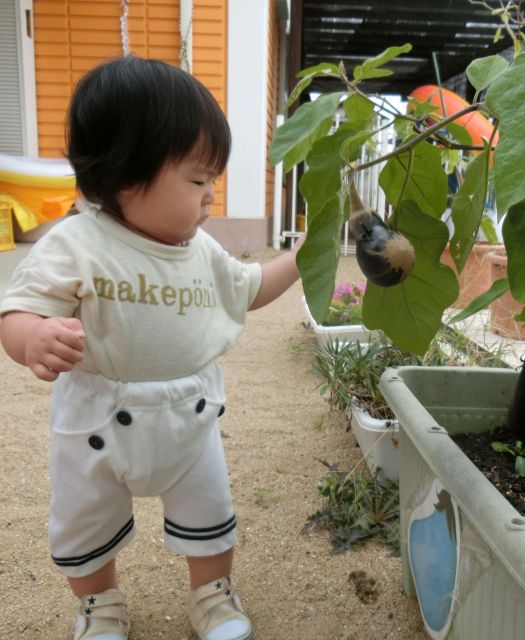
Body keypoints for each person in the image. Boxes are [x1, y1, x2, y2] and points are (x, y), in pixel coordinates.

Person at [0, 56, 304, 640]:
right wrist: (32, 337)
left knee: (210, 511)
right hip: (95, 420)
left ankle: (213, 594)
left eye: (211, 180)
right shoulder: (77, 242)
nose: (210, 196)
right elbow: (20, 309)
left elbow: (250, 288)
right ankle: (99, 603)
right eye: (197, 180)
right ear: (123, 175)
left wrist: (303, 259)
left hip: (188, 415)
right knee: (84, 521)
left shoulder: (201, 250)